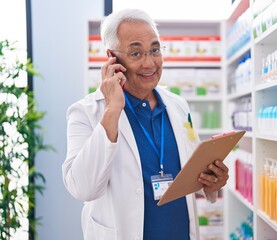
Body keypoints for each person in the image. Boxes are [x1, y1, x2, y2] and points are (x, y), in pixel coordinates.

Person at [62, 8, 229, 240]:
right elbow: (83, 188)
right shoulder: (85, 113)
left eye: (155, 50)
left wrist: (211, 183)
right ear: (112, 57)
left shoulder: (178, 106)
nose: (150, 63)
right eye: (136, 53)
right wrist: (112, 110)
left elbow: (191, 170)